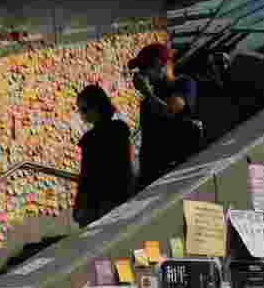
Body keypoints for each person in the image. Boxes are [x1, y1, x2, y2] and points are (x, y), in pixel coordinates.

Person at [127, 42, 201, 191]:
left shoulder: (184, 84)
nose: (142, 74)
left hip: (174, 174)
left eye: (144, 68)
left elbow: (170, 110)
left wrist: (148, 93)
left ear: (160, 64)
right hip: (149, 176)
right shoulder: (149, 99)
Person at [72, 84, 134, 227]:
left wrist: (79, 205)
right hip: (118, 195)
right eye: (81, 110)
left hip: (100, 201)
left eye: (84, 109)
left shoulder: (91, 139)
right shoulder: (120, 129)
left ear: (97, 107)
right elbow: (127, 165)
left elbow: (86, 175)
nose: (82, 114)